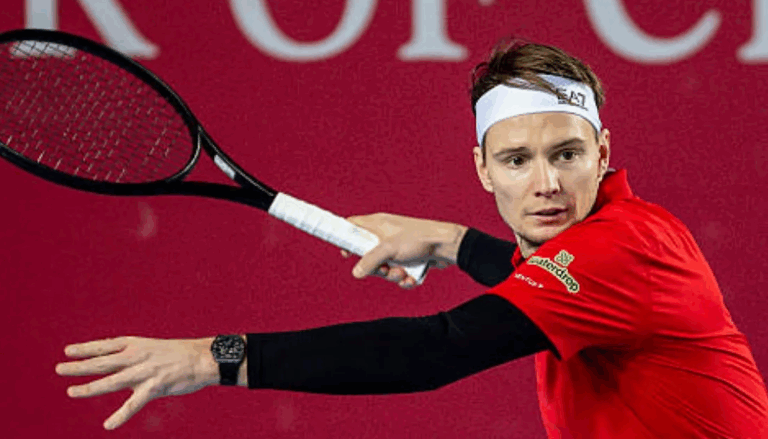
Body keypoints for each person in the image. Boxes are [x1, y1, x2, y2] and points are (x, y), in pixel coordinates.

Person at [55, 39, 768, 437]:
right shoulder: (605, 250)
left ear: (603, 153)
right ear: (482, 168)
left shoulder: (627, 246)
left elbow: (437, 349)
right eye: (517, 161)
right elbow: (537, 279)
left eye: (568, 154)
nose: (547, 183)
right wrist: (449, 242)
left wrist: (213, 357)